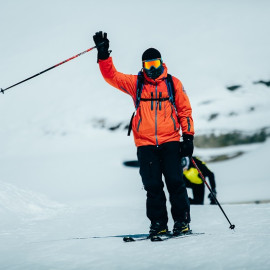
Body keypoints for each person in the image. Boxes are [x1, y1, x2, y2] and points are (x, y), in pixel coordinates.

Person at [93, 31, 195, 237]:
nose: (152, 68)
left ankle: (182, 222)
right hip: (145, 144)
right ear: (143, 65)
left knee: (175, 183)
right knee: (153, 186)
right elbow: (111, 76)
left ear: (161, 62)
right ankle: (158, 224)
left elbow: (185, 111)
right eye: (148, 65)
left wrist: (188, 137)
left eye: (155, 63)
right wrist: (104, 55)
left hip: (170, 141)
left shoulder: (173, 83)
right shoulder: (136, 83)